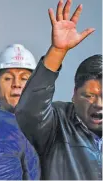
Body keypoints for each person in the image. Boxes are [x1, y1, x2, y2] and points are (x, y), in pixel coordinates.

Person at [14, 0, 100, 179]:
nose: (98, 104)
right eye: (89, 96)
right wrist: (58, 52)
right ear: (74, 94)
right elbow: (30, 111)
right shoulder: (57, 124)